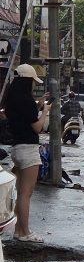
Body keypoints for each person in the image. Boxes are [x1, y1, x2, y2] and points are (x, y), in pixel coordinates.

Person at [2, 64, 50, 242]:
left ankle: (18, 230)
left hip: (17, 149)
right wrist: (45, 112)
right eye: (33, 81)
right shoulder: (27, 101)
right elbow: (37, 128)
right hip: (29, 150)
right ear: (28, 81)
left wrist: (39, 105)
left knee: (20, 192)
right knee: (25, 193)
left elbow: (25, 119)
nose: (34, 84)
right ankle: (25, 232)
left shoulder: (12, 101)